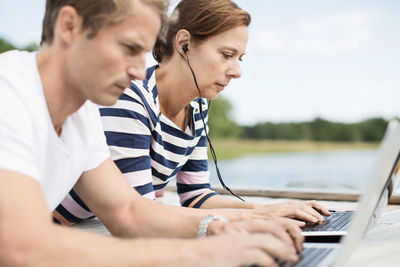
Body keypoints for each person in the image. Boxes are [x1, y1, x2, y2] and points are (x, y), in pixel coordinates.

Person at [0, 0, 302, 266]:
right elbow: (20, 247)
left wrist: (220, 229)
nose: (137, 70)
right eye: (129, 48)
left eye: (142, 53)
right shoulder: (9, 91)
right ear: (69, 26)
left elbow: (129, 211)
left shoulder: (84, 114)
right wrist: (205, 255)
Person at [57, 0, 331, 226]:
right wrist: (258, 216)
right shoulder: (129, 99)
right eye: (227, 54)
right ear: (185, 44)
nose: (237, 71)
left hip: (94, 225)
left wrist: (276, 209)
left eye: (240, 58)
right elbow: (142, 215)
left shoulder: (197, 108)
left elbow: (196, 196)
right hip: (56, 228)